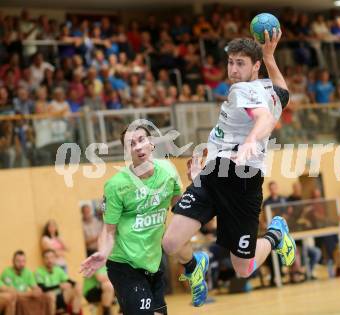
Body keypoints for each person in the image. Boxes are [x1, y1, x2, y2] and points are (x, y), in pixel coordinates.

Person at [162, 30, 296, 307]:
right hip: (213, 175)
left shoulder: (243, 90)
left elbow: (262, 120)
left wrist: (249, 141)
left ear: (254, 66)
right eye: (231, 62)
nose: (233, 69)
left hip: (243, 183)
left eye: (241, 63)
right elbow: (283, 92)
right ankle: (193, 267)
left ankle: (275, 235)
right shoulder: (267, 89)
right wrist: (270, 57)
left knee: (243, 268)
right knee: (171, 243)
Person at [80, 123, 182, 315]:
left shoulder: (168, 170)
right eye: (131, 144)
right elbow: (108, 231)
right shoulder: (116, 185)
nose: (137, 147)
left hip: (153, 261)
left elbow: (180, 207)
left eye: (141, 140)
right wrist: (102, 253)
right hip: (124, 265)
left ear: (151, 143)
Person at [1, 250, 50, 315]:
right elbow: (13, 293)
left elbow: (35, 287)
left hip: (24, 296)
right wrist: (30, 293)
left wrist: (37, 291)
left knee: (44, 297)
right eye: (18, 261)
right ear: (13, 261)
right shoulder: (7, 272)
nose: (21, 264)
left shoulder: (28, 272)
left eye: (23, 261)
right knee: (18, 300)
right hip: (15, 299)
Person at [35, 249, 82, 315]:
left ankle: (75, 313)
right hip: (47, 298)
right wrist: (59, 286)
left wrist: (76, 284)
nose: (49, 260)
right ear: (43, 259)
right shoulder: (39, 271)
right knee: (51, 295)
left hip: (59, 298)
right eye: (47, 258)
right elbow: (42, 289)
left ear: (55, 258)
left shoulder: (58, 269)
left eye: (51, 257)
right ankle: (60, 311)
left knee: (77, 288)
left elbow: (70, 281)